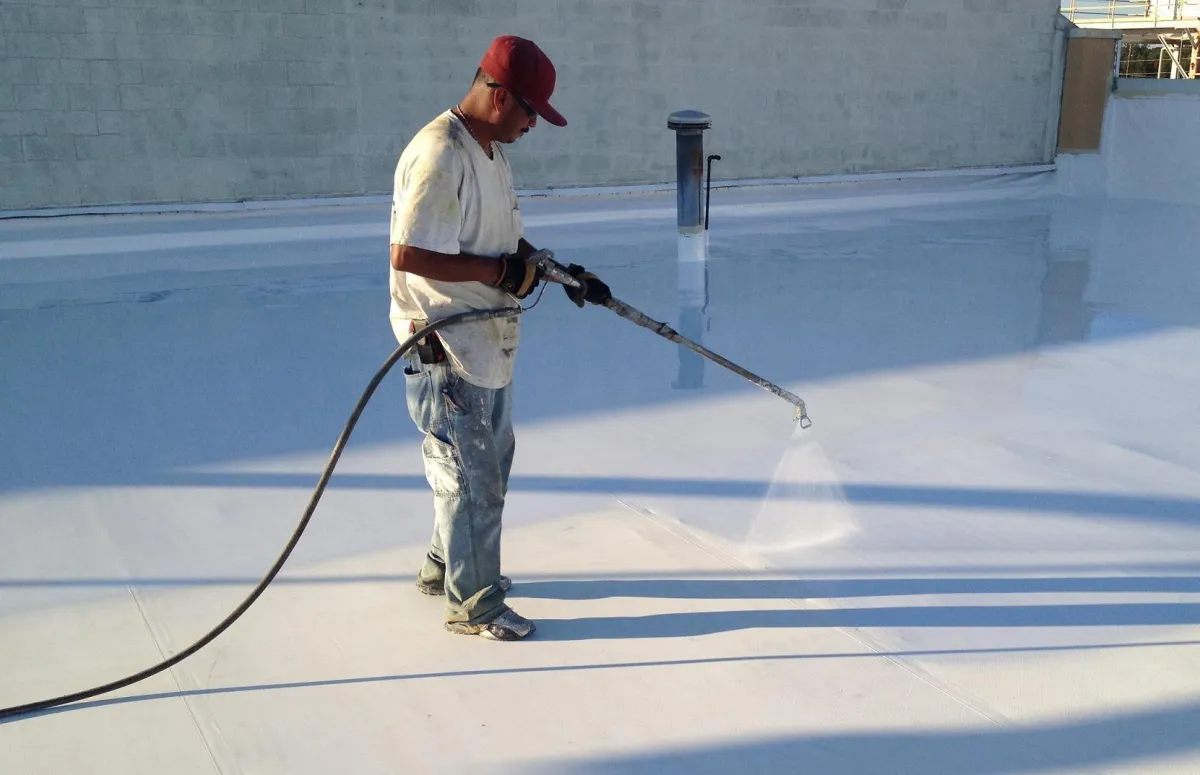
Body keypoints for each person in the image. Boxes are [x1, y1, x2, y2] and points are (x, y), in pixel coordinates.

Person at [388, 35, 611, 641]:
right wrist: (499, 274)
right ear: (497, 94)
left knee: (479, 467)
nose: (534, 123)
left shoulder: (489, 149)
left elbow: (495, 239)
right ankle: (475, 605)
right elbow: (409, 255)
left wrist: (555, 270)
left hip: (486, 340)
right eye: (530, 110)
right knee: (473, 478)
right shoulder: (441, 153)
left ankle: (444, 567)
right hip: (447, 345)